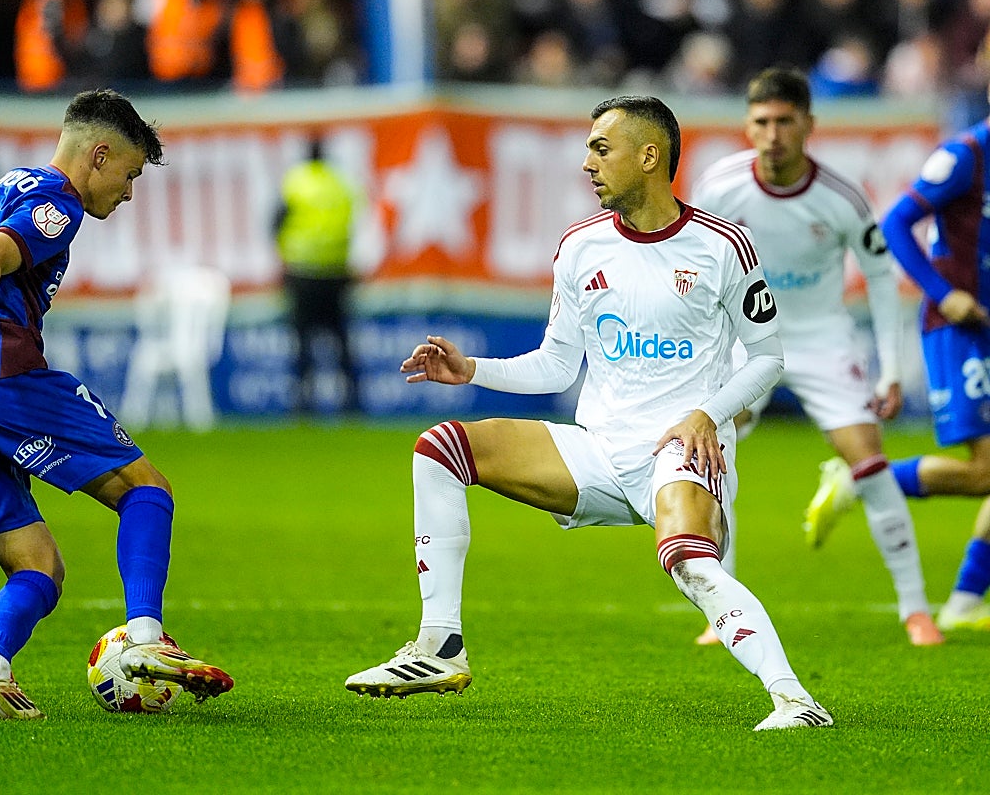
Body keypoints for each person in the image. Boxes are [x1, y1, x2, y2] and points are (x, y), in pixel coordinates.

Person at [344, 95, 832, 731]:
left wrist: (706, 415)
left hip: (681, 451)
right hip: (597, 449)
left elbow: (767, 358)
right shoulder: (580, 246)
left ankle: (796, 702)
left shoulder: (722, 246)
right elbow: (555, 365)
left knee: (690, 563)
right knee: (440, 449)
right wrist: (473, 370)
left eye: (602, 149)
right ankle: (440, 645)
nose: (587, 163)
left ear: (649, 156)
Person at [0, 89, 234, 719]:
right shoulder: (58, 201)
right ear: (99, 154)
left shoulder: (5, 187)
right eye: (129, 175)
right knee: (146, 488)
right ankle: (145, 637)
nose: (128, 193)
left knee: (38, 568)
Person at [691, 67, 942, 647]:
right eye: (762, 122)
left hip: (822, 340)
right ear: (747, 125)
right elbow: (696, 268)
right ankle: (722, 610)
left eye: (785, 121)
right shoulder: (719, 187)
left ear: (809, 124)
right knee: (711, 456)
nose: (773, 134)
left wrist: (892, 369)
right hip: (745, 340)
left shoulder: (840, 197)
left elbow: (881, 278)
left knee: (870, 465)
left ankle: (915, 610)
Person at [864, 76, 990, 632]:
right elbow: (895, 223)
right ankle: (862, 478)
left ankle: (965, 603)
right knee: (985, 473)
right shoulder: (965, 156)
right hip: (959, 327)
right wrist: (944, 294)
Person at [274, 137, 359, 413]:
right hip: (336, 272)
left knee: (303, 343)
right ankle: (352, 404)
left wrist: (283, 256)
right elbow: (354, 223)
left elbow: (277, 221)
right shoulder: (340, 183)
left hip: (302, 273)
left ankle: (303, 404)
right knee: (341, 343)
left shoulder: (296, 182)